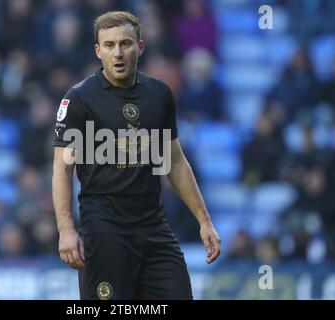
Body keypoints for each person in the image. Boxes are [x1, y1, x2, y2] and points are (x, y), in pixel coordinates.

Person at [52, 11, 220, 300]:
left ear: (140, 47)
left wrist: (204, 220)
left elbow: (175, 161)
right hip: (104, 233)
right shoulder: (79, 99)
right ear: (98, 50)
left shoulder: (159, 95)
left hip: (154, 228)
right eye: (109, 45)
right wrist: (66, 230)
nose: (117, 53)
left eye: (125, 44)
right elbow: (62, 170)